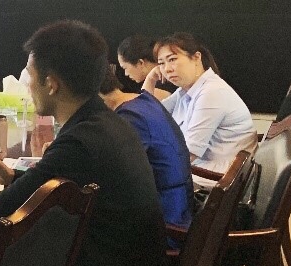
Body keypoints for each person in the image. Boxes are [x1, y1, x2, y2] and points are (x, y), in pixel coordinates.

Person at [0, 21, 169, 266]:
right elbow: (58, 182)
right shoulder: (107, 122)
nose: (28, 86)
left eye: (30, 77)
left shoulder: (77, 142)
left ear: (51, 84)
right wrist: (14, 177)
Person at [145, 32, 256, 175]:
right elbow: (148, 115)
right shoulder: (185, 90)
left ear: (196, 57)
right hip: (201, 170)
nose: (167, 69)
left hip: (215, 177)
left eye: (172, 59)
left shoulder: (211, 92)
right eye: (161, 63)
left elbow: (189, 154)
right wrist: (150, 79)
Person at [98, 65, 193, 228]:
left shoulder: (129, 117)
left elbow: (116, 176)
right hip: (180, 206)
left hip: (167, 222)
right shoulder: (143, 101)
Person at [116, 34, 172, 101]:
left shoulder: (158, 91)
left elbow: (144, 105)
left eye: (125, 68)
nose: (126, 73)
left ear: (140, 62)